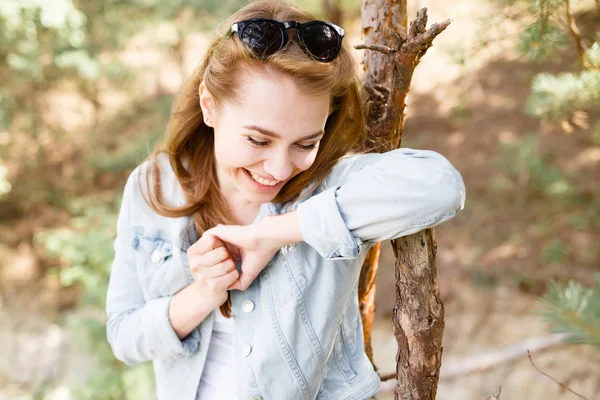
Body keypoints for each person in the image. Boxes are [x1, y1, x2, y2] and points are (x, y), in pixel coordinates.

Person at [105, 0, 466, 399]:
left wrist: (274, 233)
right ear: (209, 106)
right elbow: (124, 336)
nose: (278, 169)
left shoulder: (333, 186)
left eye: (305, 143)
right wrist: (204, 293)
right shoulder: (153, 185)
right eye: (258, 139)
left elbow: (442, 187)